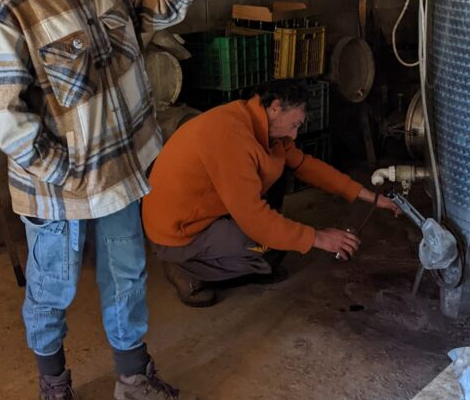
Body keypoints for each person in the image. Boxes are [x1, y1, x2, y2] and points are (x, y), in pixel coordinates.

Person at [0, 0, 235, 400]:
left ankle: (133, 380)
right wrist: (59, 168)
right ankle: (54, 387)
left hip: (119, 170)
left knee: (127, 275)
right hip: (58, 186)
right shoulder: (9, 4)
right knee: (52, 287)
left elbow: (160, 7)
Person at [142, 80, 400, 307]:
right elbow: (255, 219)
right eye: (294, 124)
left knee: (278, 202)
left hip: (203, 211)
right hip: (178, 231)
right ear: (275, 107)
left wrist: (370, 196)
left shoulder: (260, 124)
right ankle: (184, 269)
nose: (294, 134)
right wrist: (319, 238)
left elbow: (306, 166)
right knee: (265, 248)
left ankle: (221, 255)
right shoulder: (229, 134)